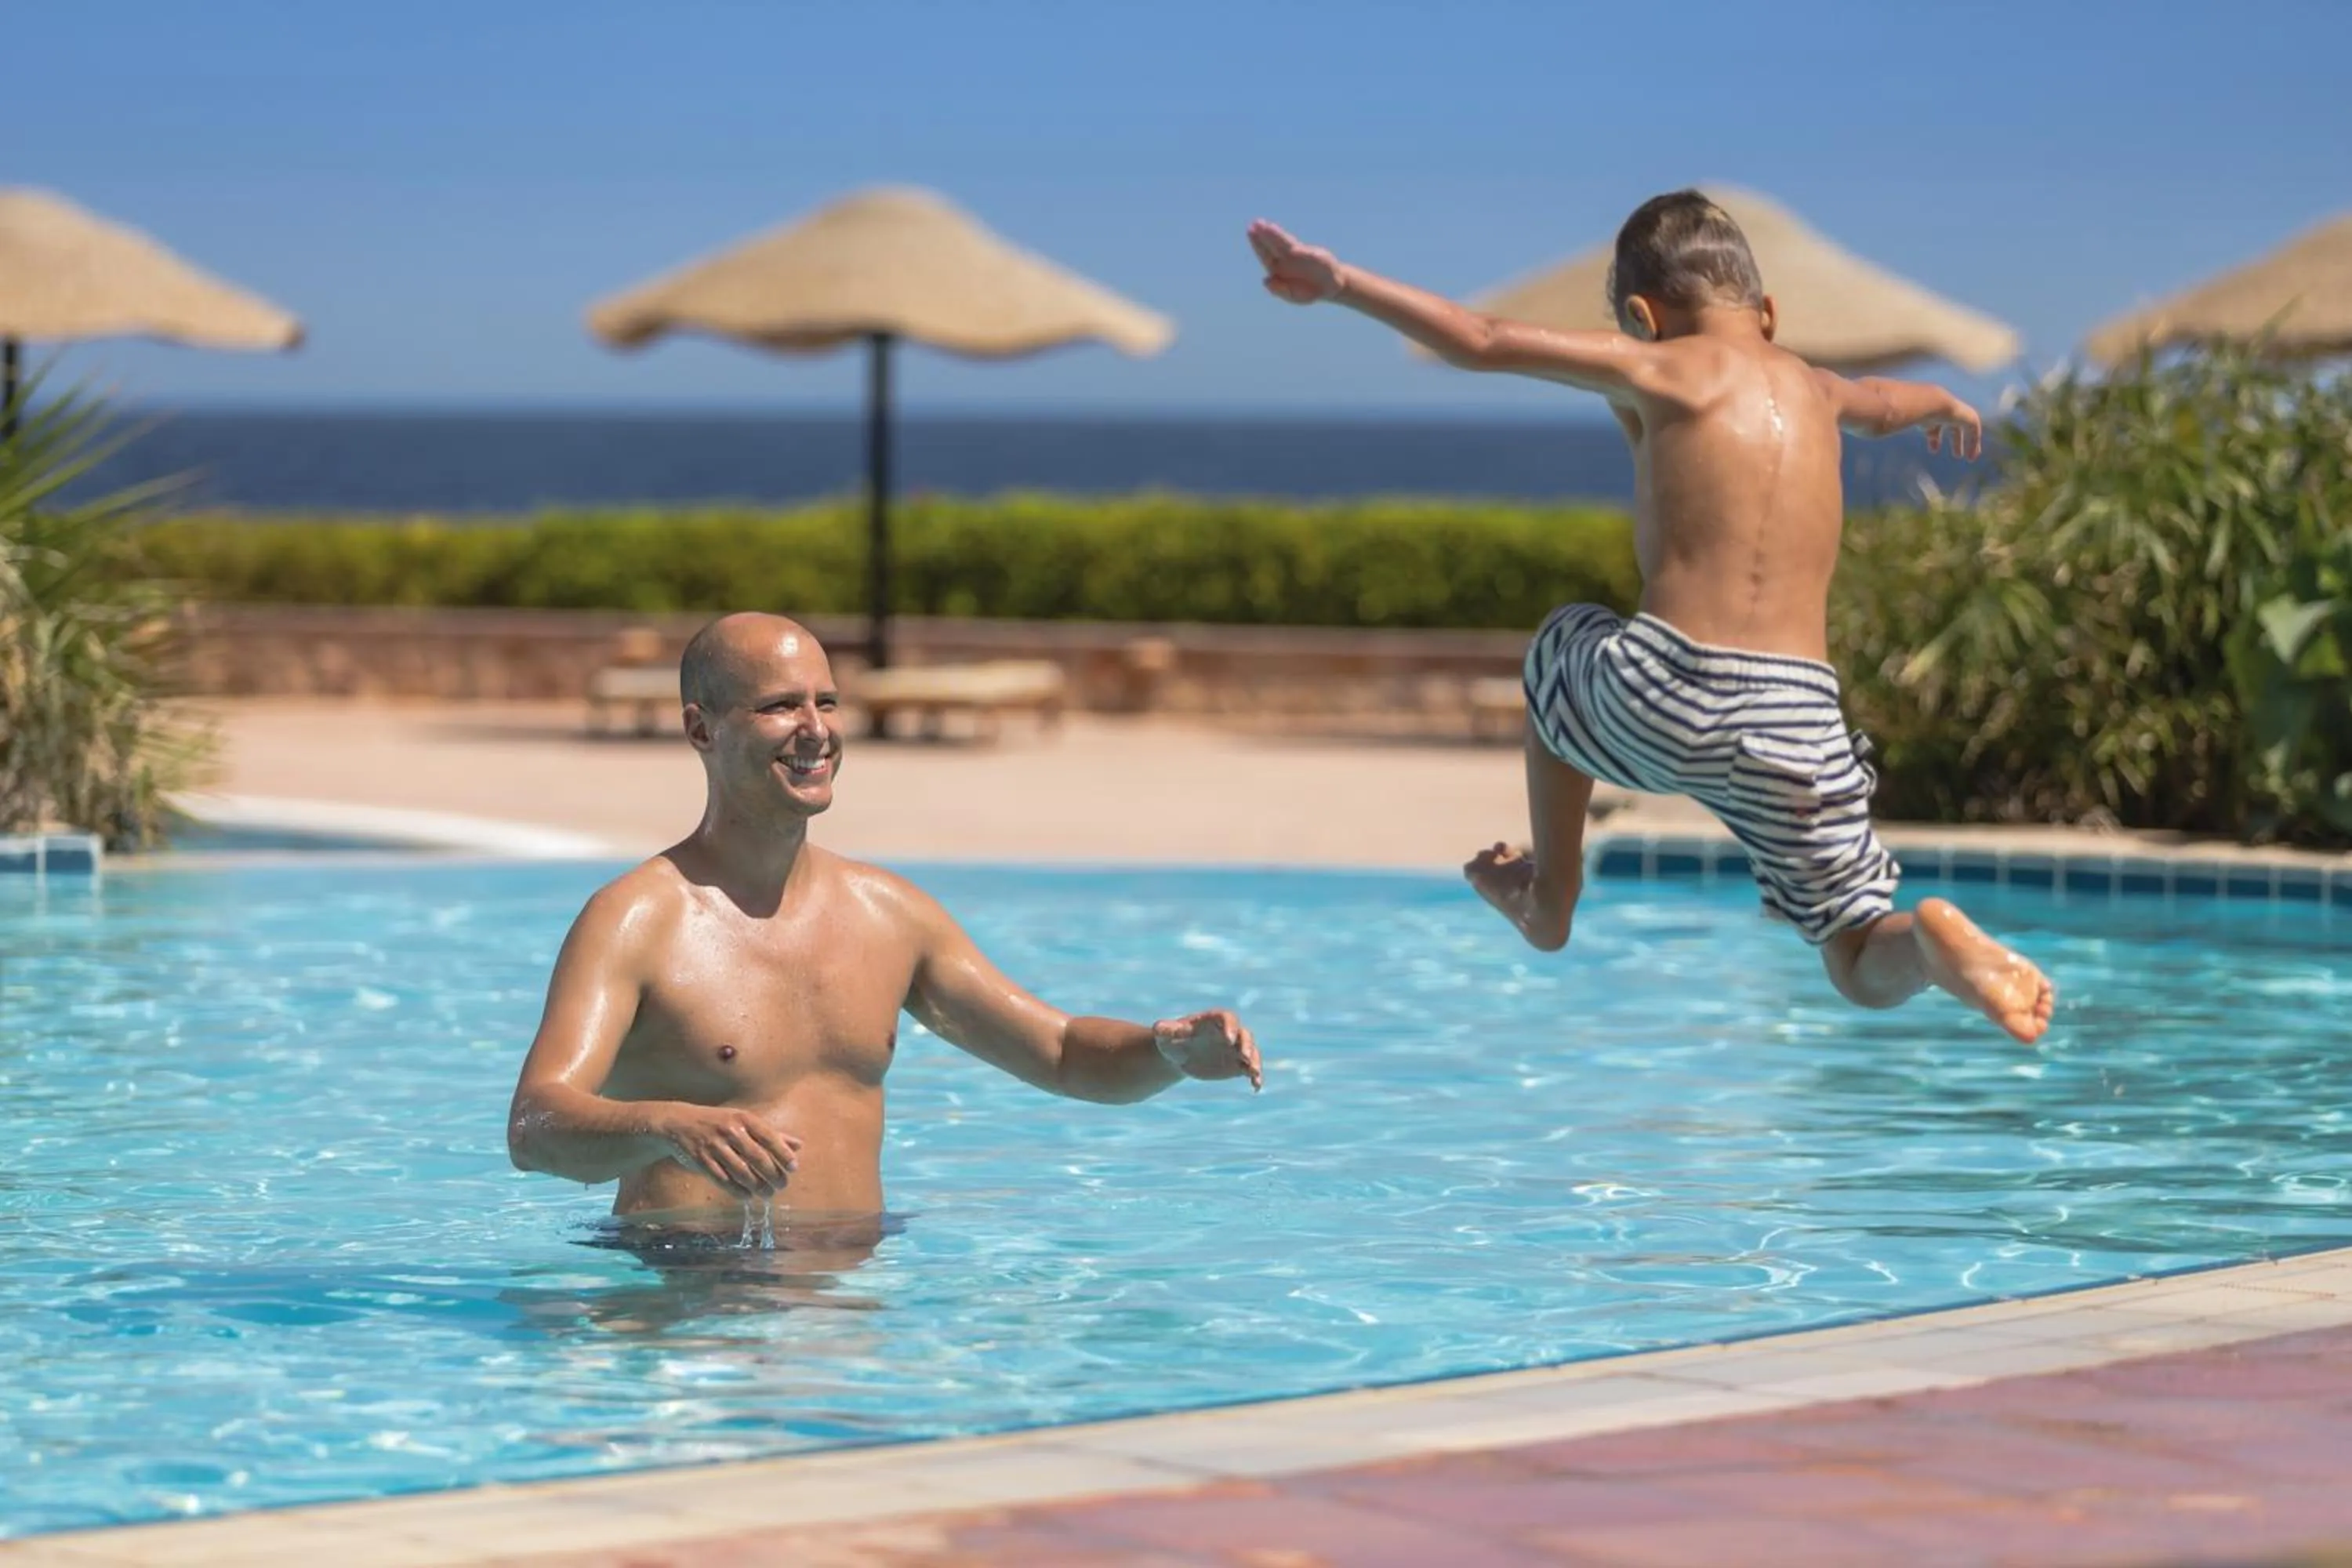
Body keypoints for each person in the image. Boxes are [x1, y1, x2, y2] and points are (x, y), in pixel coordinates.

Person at [1247, 192, 2053, 1045]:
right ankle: (1925, 945)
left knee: (1562, 646)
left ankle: (1551, 897)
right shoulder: (1819, 389)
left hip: (1670, 687)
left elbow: (1480, 337)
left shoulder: (1659, 367)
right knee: (1854, 957)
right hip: (1801, 719)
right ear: (1769, 313)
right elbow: (1887, 403)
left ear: (1641, 317)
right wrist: (1943, 403)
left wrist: (1341, 283)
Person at [506, 613, 1263, 1236]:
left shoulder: (888, 914)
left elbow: (1062, 1054)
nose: (815, 730)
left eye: (827, 702)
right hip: (684, 1291)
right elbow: (535, 1126)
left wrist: (1164, 1052)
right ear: (702, 730)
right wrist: (668, 1126)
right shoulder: (637, 920)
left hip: (852, 1303)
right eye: (779, 707)